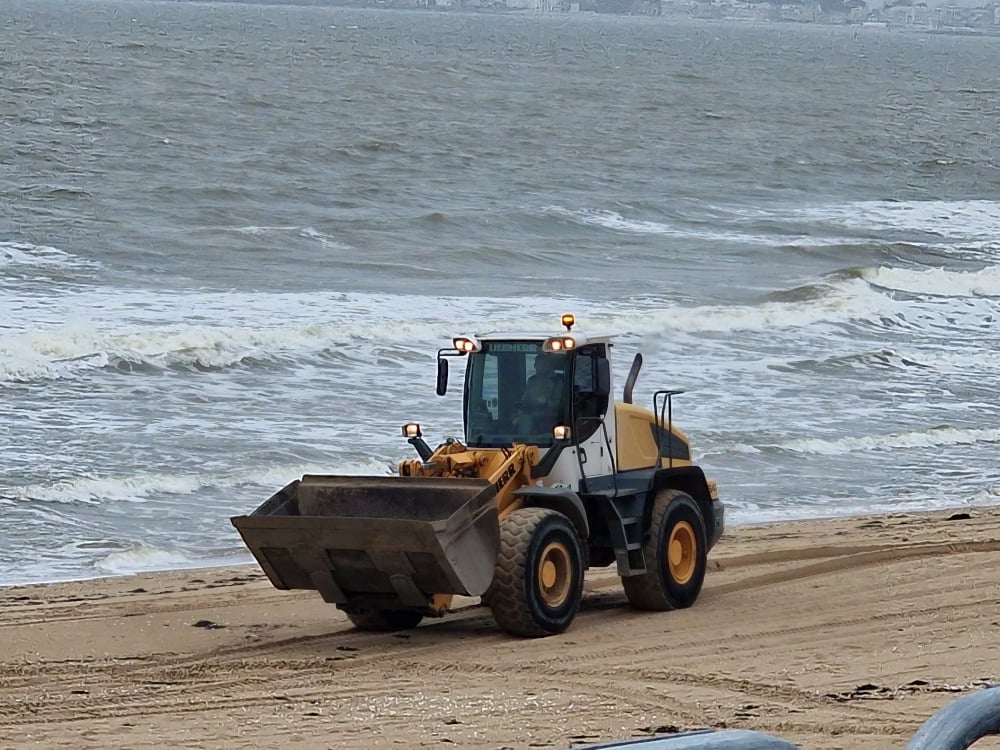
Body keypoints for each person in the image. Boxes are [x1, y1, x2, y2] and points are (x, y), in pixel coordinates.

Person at [514, 354, 563, 433]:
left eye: (544, 364)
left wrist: (546, 402)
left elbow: (561, 404)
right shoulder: (532, 381)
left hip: (551, 418)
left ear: (549, 365)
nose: (541, 367)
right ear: (535, 366)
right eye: (539, 364)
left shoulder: (557, 382)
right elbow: (525, 399)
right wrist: (520, 407)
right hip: (532, 416)